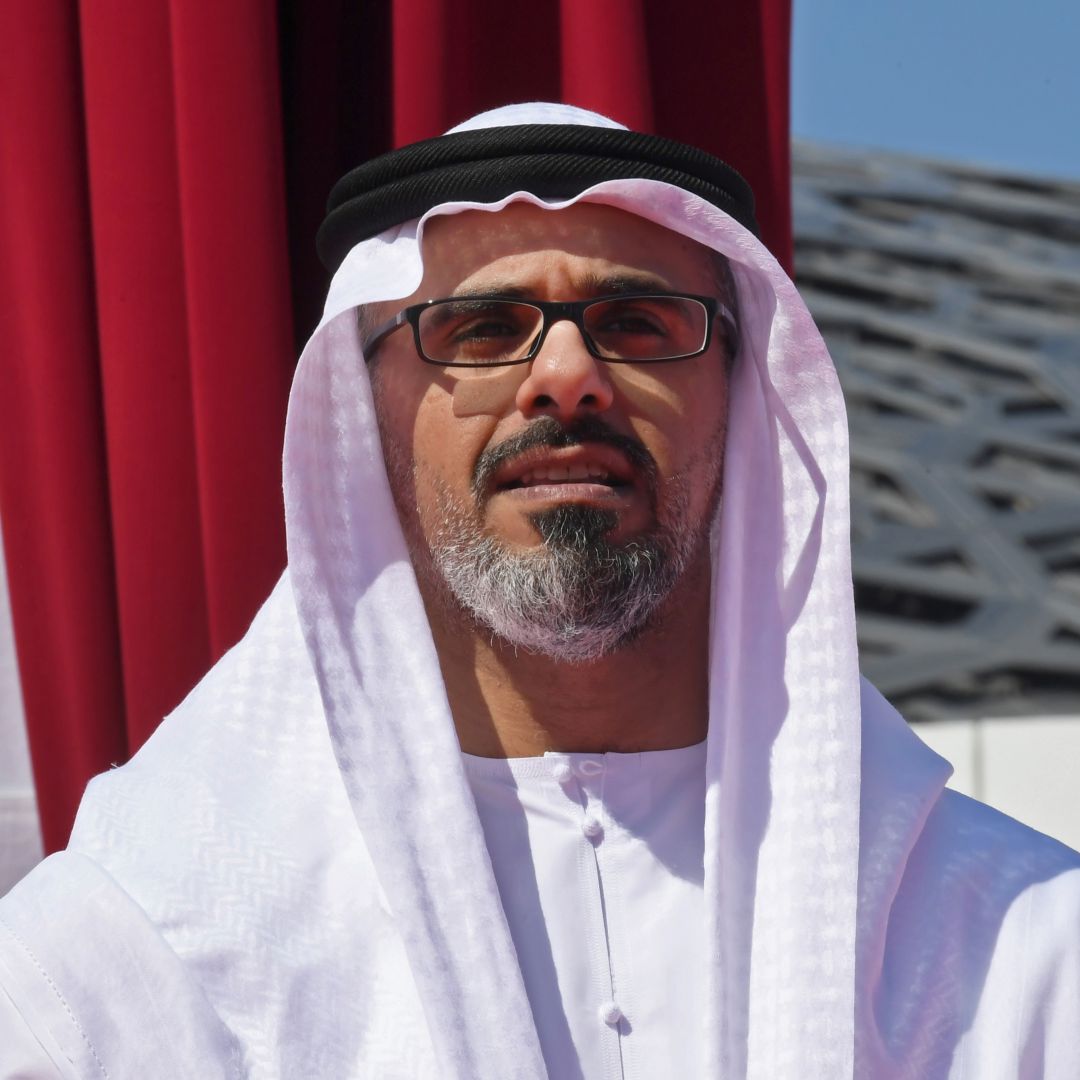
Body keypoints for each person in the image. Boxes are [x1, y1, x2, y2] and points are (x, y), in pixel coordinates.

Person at [1, 102, 1077, 1079]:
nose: (567, 376)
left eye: (640, 323)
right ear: (364, 421)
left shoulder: (1013, 944)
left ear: (739, 399)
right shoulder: (125, 964)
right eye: (480, 331)